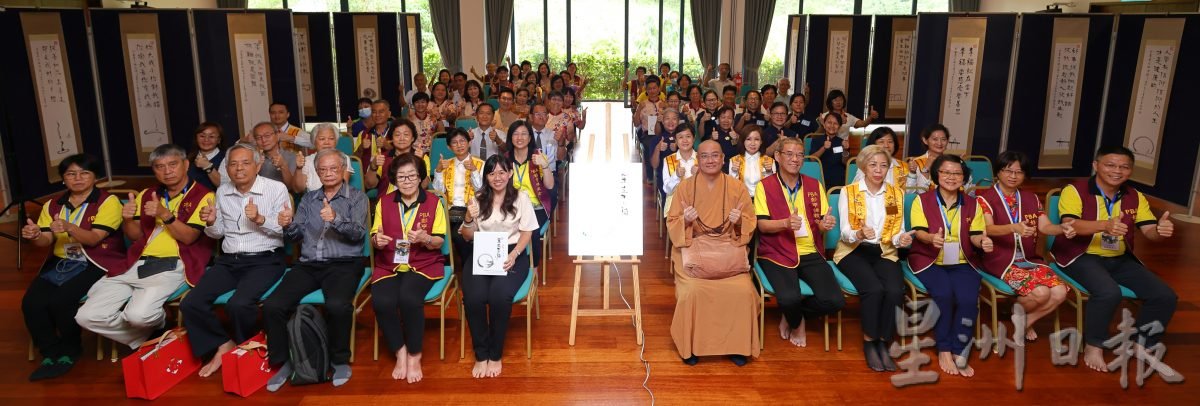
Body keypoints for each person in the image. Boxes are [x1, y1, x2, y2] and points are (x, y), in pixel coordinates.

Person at [1052, 146, 1177, 373]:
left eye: (1124, 167)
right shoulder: (1075, 190)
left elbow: (1149, 232)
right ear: (1096, 165)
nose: (1117, 171)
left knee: (1165, 295)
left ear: (1130, 170)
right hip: (1080, 255)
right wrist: (1104, 225)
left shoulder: (1135, 196)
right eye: (1110, 165)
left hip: (1119, 258)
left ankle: (1142, 344)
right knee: (1109, 292)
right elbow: (1070, 224)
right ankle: (1094, 346)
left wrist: (1161, 230)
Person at [77, 144, 213, 352]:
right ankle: (156, 330)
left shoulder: (204, 195)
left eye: (172, 164)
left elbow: (189, 237)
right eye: (159, 167)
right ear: (154, 170)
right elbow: (136, 236)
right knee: (86, 316)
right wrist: (127, 219)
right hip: (136, 262)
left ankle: (150, 326)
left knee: (137, 315)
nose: (167, 171)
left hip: (174, 263)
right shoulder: (147, 194)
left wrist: (164, 214)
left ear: (186, 165)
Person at [263, 149, 368, 391]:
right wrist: (287, 225)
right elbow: (295, 235)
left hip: (344, 264)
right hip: (309, 264)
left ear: (343, 170)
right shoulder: (308, 199)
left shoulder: (356, 197)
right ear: (317, 173)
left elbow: (358, 235)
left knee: (337, 306)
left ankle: (339, 360)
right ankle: (283, 362)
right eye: (323, 169)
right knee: (273, 306)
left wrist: (335, 219)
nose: (328, 173)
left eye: (333, 169)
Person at [186, 143, 292, 377]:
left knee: (238, 305)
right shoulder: (223, 191)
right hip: (229, 261)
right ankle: (223, 344)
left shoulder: (276, 189)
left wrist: (261, 218)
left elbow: (286, 231)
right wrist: (212, 222)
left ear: (258, 165)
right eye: (232, 164)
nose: (238, 169)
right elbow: (217, 234)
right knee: (191, 303)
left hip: (266, 260)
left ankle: (248, 351)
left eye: (245, 163)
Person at [21, 154, 126, 381]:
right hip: (62, 262)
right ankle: (50, 352)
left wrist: (69, 227)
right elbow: (46, 242)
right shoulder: (52, 204)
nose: (77, 178)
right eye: (71, 174)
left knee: (61, 300)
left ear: (95, 177)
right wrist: (36, 235)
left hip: (97, 261)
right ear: (63, 179)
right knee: (32, 302)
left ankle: (70, 349)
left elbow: (93, 239)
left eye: (84, 173)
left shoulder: (108, 201)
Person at [667, 140, 760, 366]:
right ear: (698, 160)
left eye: (715, 156)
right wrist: (685, 220)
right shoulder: (685, 187)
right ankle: (691, 347)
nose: (710, 160)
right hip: (692, 246)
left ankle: (737, 346)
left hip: (728, 248)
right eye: (705, 156)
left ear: (722, 159)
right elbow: (672, 222)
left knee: (744, 291)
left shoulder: (737, 187)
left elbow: (750, 220)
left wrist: (739, 224)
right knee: (691, 291)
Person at [907, 154, 992, 378]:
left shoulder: (974, 204)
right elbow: (919, 231)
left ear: (964, 178)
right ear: (937, 175)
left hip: (963, 261)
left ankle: (960, 349)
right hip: (929, 260)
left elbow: (975, 236)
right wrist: (930, 239)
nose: (951, 177)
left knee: (967, 299)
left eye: (957, 173)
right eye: (946, 172)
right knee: (944, 295)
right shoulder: (922, 200)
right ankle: (944, 349)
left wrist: (982, 241)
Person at [754, 137, 843, 348]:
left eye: (800, 155)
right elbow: (762, 226)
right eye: (790, 154)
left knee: (835, 301)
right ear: (777, 156)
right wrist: (785, 223)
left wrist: (826, 224)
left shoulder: (814, 185)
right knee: (787, 298)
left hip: (810, 251)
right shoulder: (764, 186)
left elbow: (820, 223)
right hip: (777, 252)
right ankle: (798, 322)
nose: (795, 159)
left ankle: (794, 314)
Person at [833, 145, 914, 372]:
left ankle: (883, 342)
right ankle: (870, 342)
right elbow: (844, 232)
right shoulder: (849, 192)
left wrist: (902, 240)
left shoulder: (894, 194)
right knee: (874, 289)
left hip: (885, 251)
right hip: (853, 250)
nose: (878, 170)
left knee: (896, 291)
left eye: (883, 165)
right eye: (873, 165)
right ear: (863, 166)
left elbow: (897, 231)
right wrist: (858, 233)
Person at [977, 150, 1072, 343]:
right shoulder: (984, 199)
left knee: (1060, 292)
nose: (1013, 176)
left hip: (1028, 259)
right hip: (1000, 259)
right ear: (998, 172)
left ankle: (1024, 320)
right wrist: (1013, 228)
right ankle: (1018, 311)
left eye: (1019, 172)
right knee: (1041, 293)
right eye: (1008, 171)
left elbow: (1045, 227)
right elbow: (988, 229)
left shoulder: (1032, 198)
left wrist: (1062, 228)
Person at [459, 155, 538, 378]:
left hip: (512, 253)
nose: (497, 177)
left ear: (510, 173)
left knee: (498, 296)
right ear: (485, 176)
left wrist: (514, 255)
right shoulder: (478, 197)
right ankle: (481, 353)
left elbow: (527, 232)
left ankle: (495, 354)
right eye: (492, 173)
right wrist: (467, 217)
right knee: (473, 298)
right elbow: (467, 236)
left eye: (502, 172)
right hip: (483, 252)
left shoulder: (520, 197)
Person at [504, 120, 554, 265]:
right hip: (511, 206)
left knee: (530, 233)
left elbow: (550, 185)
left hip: (535, 207)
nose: (520, 138)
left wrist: (544, 165)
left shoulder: (537, 157)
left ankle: (534, 269)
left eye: (524, 134)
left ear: (530, 137)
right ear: (510, 137)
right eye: (516, 134)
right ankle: (511, 264)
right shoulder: (506, 159)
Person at [434, 129, 485, 268]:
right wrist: (438, 171)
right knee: (437, 234)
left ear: (469, 143)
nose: (459, 145)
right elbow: (438, 193)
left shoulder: (480, 164)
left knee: (458, 235)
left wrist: (474, 171)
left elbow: (481, 191)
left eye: (462, 141)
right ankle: (444, 268)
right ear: (449, 147)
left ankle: (468, 267)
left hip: (471, 209)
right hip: (449, 209)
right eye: (454, 143)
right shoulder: (445, 164)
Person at [219, 122, 298, 192]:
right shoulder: (253, 158)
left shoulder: (291, 156)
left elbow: (292, 187)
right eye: (258, 137)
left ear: (277, 135)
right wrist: (257, 167)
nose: (263, 140)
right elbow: (245, 185)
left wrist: (283, 165)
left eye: (267, 135)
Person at [365, 119, 429, 193]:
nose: (401, 138)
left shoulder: (422, 157)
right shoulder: (382, 157)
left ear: (413, 138)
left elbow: (424, 186)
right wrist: (373, 166)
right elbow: (369, 185)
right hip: (387, 202)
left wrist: (420, 162)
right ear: (392, 138)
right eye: (397, 135)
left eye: (406, 134)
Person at [294, 123, 355, 193]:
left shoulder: (343, 158)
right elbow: (298, 189)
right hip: (312, 201)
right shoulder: (307, 160)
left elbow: (342, 188)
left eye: (331, 138)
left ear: (336, 141)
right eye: (322, 139)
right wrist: (299, 168)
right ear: (314, 141)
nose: (327, 142)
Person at [728, 125, 775, 197]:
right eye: (748, 139)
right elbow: (732, 187)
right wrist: (734, 172)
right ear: (743, 141)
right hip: (743, 202)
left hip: (763, 202)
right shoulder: (735, 160)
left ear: (761, 141)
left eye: (756, 139)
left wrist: (769, 172)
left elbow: (772, 188)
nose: (753, 143)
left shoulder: (769, 161)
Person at [809, 113, 849, 188]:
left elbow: (845, 162)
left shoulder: (842, 142)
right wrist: (824, 148)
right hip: (820, 178)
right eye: (829, 122)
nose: (832, 126)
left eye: (835, 123)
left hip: (838, 180)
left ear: (839, 127)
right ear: (824, 124)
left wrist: (845, 150)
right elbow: (812, 159)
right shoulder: (816, 140)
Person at [907, 124, 951, 192]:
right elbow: (917, 192)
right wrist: (926, 168)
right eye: (935, 139)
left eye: (943, 139)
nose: (939, 143)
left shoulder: (952, 162)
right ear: (925, 140)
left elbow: (969, 192)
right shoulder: (916, 162)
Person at [189, 122, 225, 192]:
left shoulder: (226, 158)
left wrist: (208, 166)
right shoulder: (189, 159)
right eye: (202, 136)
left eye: (211, 136)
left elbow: (225, 186)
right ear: (196, 138)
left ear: (219, 140)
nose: (206, 140)